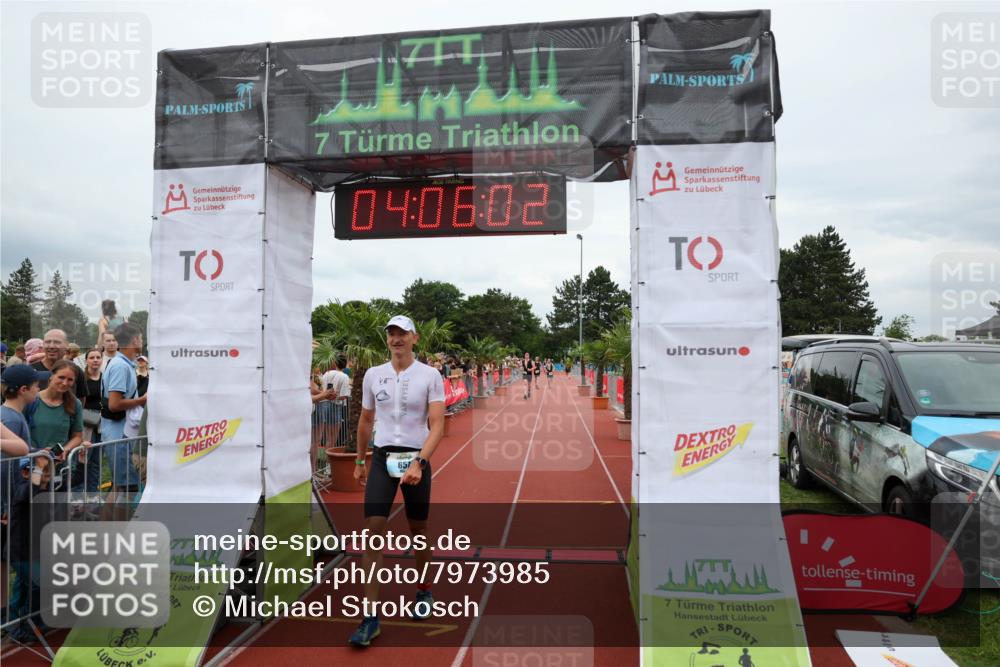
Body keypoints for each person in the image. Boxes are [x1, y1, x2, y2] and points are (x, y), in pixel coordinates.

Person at [349, 315, 445, 647]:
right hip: (382, 457)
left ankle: (423, 588)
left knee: (418, 529)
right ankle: (370, 616)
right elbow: (365, 419)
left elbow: (438, 426)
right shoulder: (374, 375)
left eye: (402, 333)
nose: (396, 338)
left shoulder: (430, 376)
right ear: (387, 339)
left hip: (417, 458)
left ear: (414, 338)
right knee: (373, 529)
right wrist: (361, 460)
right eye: (391, 333)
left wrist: (420, 461)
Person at [101, 323, 146, 508]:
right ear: (135, 340)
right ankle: (115, 531)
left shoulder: (123, 364)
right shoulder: (120, 366)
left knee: (121, 487)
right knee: (127, 489)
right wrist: (142, 400)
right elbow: (114, 404)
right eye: (141, 338)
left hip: (121, 434)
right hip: (120, 437)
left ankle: (109, 532)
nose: (142, 342)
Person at [2, 365, 45, 515]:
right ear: (24, 390)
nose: (38, 390)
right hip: (9, 497)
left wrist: (38, 452)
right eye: (36, 386)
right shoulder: (12, 420)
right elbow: (5, 463)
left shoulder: (12, 414)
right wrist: (7, 504)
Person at [29, 360, 87, 472]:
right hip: (31, 463)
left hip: (59, 466)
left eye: (70, 380)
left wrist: (65, 449)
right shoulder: (31, 400)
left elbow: (77, 436)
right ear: (51, 376)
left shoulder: (75, 404)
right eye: (61, 377)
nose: (65, 383)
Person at [31, 329, 87, 403]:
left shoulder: (76, 370)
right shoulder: (31, 370)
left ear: (67, 345)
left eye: (57, 342)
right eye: (47, 342)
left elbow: (81, 398)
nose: (51, 346)